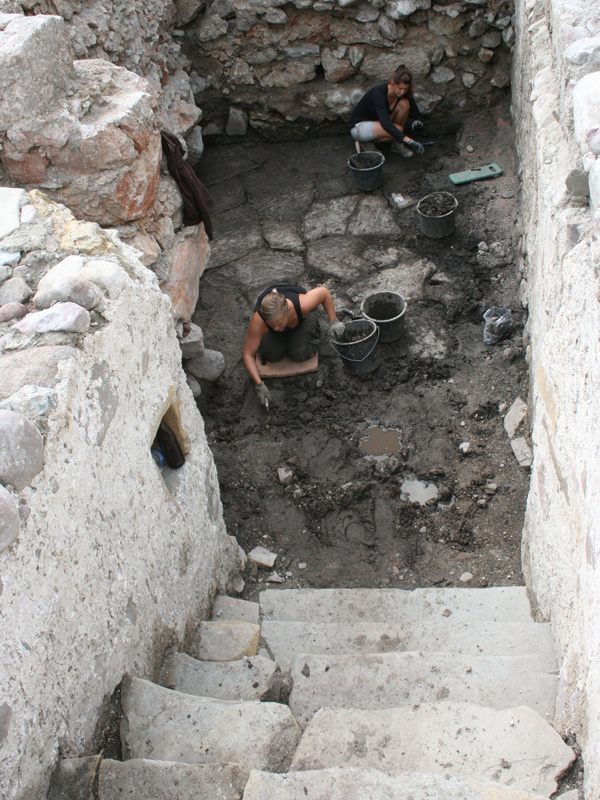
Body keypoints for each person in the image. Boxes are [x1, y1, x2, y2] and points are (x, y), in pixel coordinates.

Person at [242, 285, 345, 406]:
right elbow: (248, 354)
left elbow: (324, 292)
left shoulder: (302, 304)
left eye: (279, 323)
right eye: (272, 325)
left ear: (288, 312)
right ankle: (276, 331)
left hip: (299, 320)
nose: (276, 328)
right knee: (272, 356)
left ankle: (309, 324)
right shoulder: (260, 319)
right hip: (272, 322)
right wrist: (259, 385)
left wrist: (334, 321)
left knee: (300, 354)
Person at [349, 64, 425, 158]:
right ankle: (365, 141)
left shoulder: (403, 94)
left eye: (405, 89)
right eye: (400, 88)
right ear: (392, 82)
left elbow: (417, 113)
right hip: (359, 127)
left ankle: (396, 145)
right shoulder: (379, 93)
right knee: (399, 130)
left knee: (404, 104)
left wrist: (418, 121)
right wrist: (410, 141)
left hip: (378, 124)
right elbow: (385, 123)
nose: (402, 92)